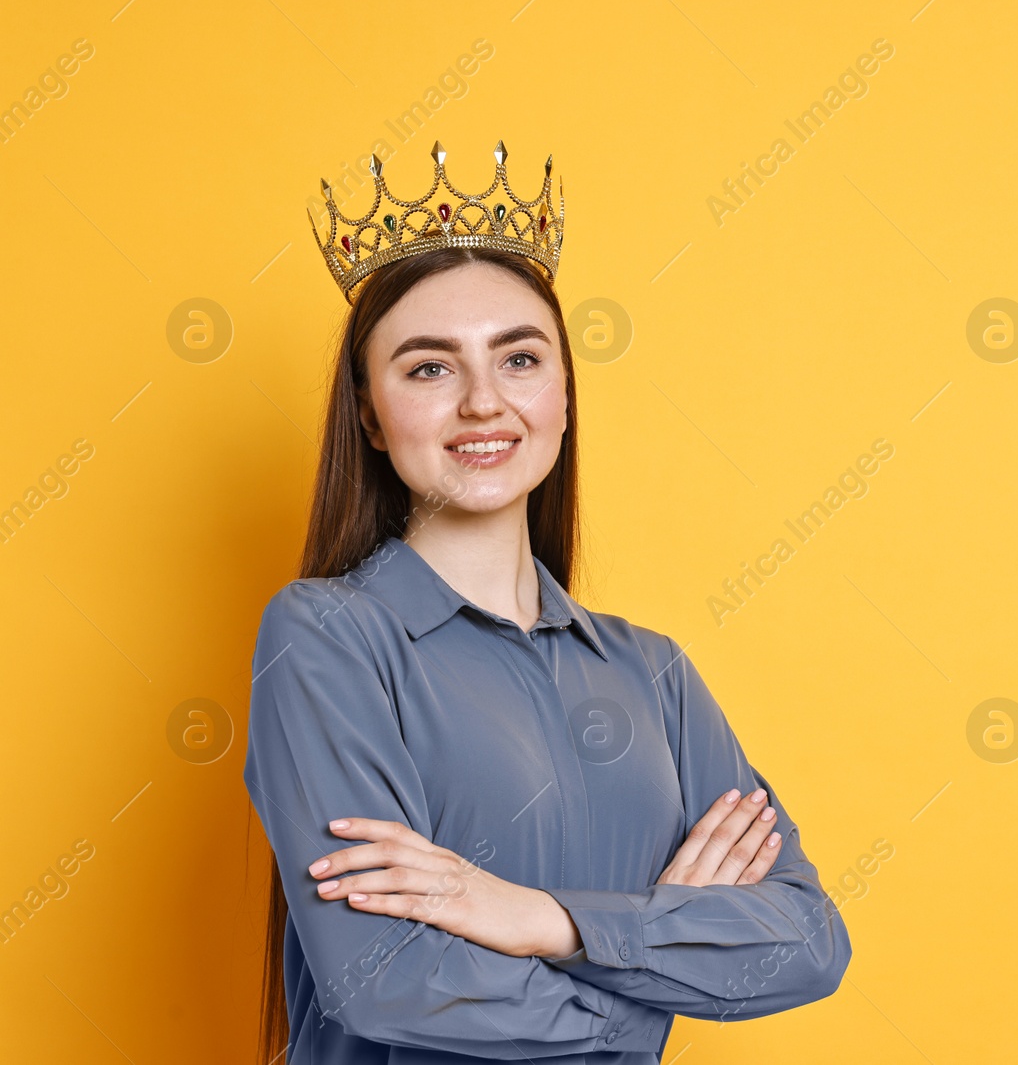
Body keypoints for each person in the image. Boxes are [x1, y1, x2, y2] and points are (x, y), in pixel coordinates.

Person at [242, 144, 850, 1064]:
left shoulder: (655, 673)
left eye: (519, 358)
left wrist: (538, 920)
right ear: (369, 414)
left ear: (563, 394)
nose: (484, 403)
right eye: (429, 369)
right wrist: (650, 988)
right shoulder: (326, 637)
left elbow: (806, 942)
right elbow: (384, 979)